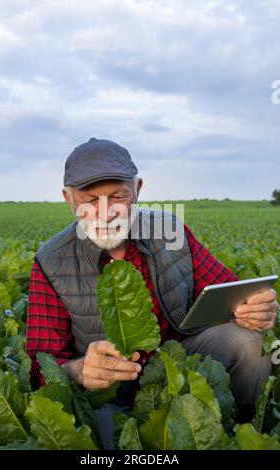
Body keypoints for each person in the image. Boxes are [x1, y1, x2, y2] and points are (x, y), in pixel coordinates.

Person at [26, 137, 279, 449]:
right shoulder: (51, 261)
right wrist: (78, 370)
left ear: (138, 189)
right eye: (90, 201)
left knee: (249, 341)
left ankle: (240, 431)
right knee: (107, 440)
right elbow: (40, 363)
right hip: (109, 388)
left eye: (118, 196)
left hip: (176, 364)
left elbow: (229, 291)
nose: (106, 214)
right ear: (69, 200)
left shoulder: (169, 231)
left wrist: (257, 306)